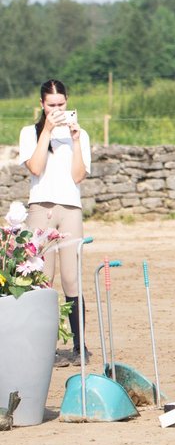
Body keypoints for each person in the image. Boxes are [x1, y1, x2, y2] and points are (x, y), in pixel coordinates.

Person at [18, 79, 91, 365]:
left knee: (72, 278)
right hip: (41, 207)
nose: (57, 109)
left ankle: (79, 346)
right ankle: (43, 348)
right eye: (52, 105)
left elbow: (78, 176)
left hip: (70, 208)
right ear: (42, 104)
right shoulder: (30, 133)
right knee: (43, 280)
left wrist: (76, 140)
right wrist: (47, 130)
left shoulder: (80, 135)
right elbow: (36, 167)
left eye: (61, 104)